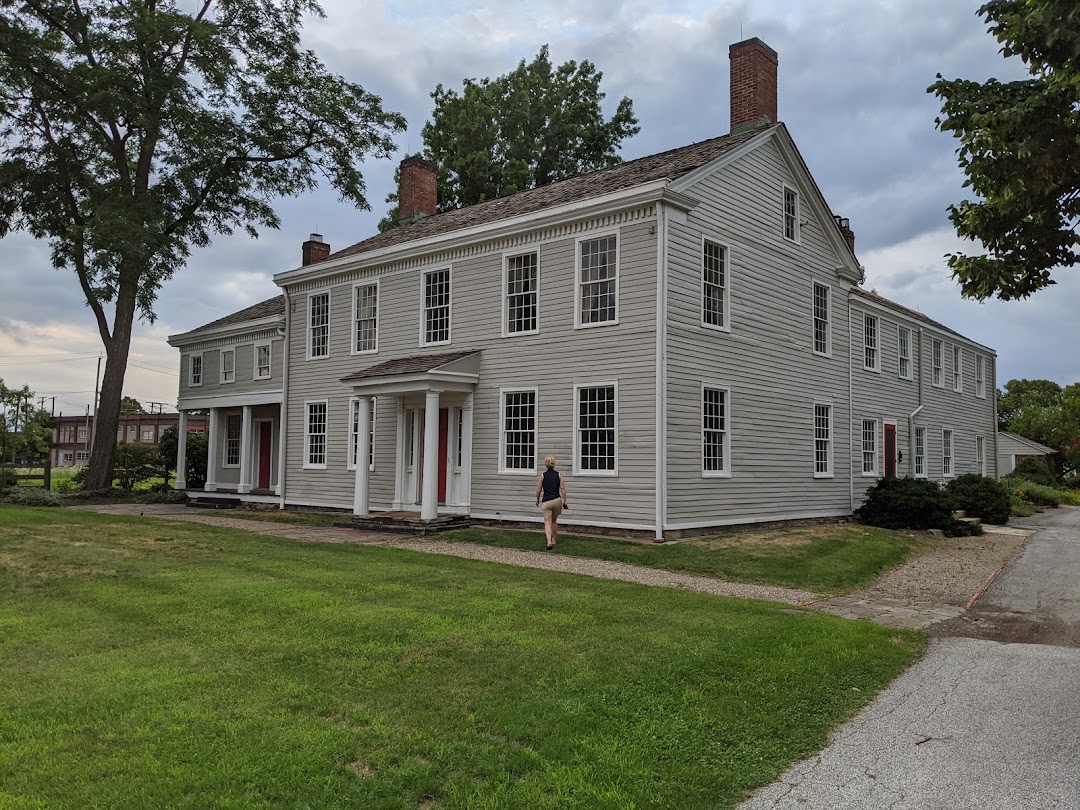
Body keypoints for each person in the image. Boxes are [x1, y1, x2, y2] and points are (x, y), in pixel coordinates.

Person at [535, 455, 568, 550]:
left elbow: (538, 490)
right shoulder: (559, 475)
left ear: (546, 464)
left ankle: (549, 542)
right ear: (554, 463)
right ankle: (554, 540)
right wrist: (565, 500)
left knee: (547, 522)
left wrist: (537, 499)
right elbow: (562, 488)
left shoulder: (543, 476)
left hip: (547, 502)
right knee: (554, 520)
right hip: (557, 500)